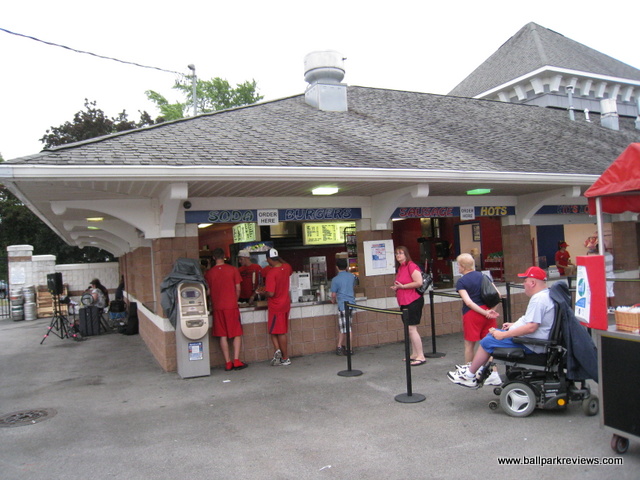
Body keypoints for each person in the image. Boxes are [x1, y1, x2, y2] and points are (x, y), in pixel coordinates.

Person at [448, 266, 555, 389]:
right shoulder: (546, 295)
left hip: (533, 344)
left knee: (488, 341)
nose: (523, 284)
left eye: (525, 281)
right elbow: (534, 322)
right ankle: (478, 370)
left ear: (533, 283)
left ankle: (469, 375)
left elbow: (531, 327)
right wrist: (514, 325)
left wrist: (504, 335)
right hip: (536, 340)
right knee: (491, 336)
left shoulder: (538, 300)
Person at [454, 253, 501, 385]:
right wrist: (491, 311)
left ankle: (469, 373)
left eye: (458, 265)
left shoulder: (461, 281)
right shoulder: (484, 276)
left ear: (463, 266)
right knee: (489, 344)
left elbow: (468, 302)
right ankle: (494, 373)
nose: (458, 267)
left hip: (472, 314)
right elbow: (498, 295)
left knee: (469, 345)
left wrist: (484, 312)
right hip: (488, 311)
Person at [204, 248, 248, 371]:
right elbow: (238, 288)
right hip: (231, 306)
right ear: (224, 256)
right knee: (236, 333)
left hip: (217, 307)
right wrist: (234, 299)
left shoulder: (209, 273)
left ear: (213, 258)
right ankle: (236, 360)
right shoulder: (233, 270)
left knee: (222, 335)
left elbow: (208, 292)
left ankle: (228, 362)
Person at [390, 246, 427, 366]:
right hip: (404, 301)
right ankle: (415, 353)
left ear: (406, 254)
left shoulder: (411, 266)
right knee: (409, 329)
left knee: (412, 328)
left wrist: (403, 287)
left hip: (413, 300)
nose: (398, 255)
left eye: (401, 253)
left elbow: (419, 282)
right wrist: (398, 287)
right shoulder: (401, 267)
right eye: (396, 253)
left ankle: (421, 355)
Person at [256, 248, 293, 366]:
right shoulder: (286, 267)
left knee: (279, 332)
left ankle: (285, 358)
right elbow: (288, 266)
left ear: (268, 259)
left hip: (276, 305)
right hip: (286, 304)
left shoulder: (272, 273)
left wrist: (262, 293)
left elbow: (271, 293)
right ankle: (278, 352)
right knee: (273, 330)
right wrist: (279, 258)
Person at [330, 258, 357, 355]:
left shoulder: (335, 279)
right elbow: (353, 287)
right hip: (351, 304)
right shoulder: (352, 276)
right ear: (346, 267)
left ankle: (349, 349)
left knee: (346, 328)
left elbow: (333, 295)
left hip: (343, 305)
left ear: (337, 267)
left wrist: (333, 300)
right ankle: (340, 346)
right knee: (345, 327)